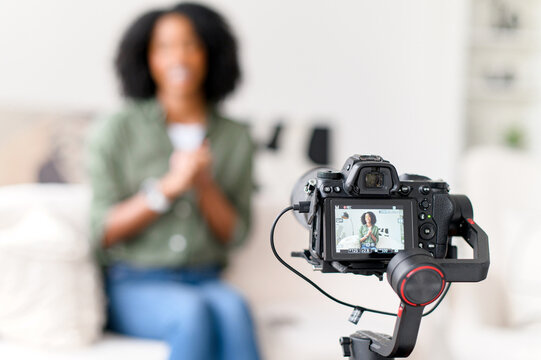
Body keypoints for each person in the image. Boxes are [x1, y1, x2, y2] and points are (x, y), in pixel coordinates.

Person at [86, 3, 260, 360]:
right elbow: (101, 230)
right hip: (134, 282)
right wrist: (168, 187)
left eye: (190, 45)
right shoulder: (116, 131)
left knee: (235, 310)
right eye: (164, 47)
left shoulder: (236, 137)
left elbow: (237, 233)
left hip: (207, 278)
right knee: (190, 314)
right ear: (146, 58)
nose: (178, 57)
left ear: (210, 54)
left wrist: (204, 184)